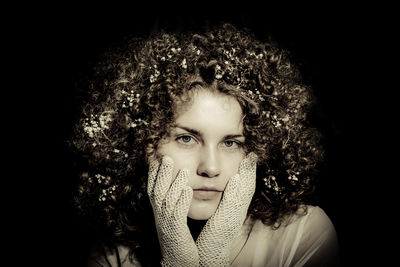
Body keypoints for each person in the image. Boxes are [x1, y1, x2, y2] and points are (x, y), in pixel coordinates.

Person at [69, 22, 340, 266]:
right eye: (186, 138)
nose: (210, 168)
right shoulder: (112, 253)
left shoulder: (304, 233)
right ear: (142, 143)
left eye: (231, 143)